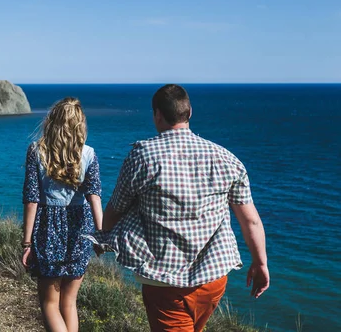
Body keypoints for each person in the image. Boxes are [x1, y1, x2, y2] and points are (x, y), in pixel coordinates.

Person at [99, 84, 269, 332]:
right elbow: (250, 220)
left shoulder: (142, 156)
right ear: (190, 113)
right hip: (213, 278)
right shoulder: (226, 158)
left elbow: (116, 208)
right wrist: (260, 263)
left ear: (157, 114)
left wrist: (105, 233)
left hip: (164, 282)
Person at [21, 97, 103, 332]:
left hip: (48, 229)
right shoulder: (89, 154)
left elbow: (32, 199)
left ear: (52, 121)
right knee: (69, 302)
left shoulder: (36, 150)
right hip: (80, 228)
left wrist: (27, 242)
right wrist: (101, 235)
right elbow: (94, 196)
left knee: (49, 303)